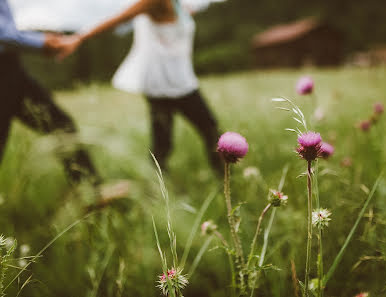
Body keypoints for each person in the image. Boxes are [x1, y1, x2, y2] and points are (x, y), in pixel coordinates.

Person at [57, 0, 222, 173]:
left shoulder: (176, 4)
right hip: (163, 84)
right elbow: (118, 19)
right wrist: (78, 38)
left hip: (180, 80)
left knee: (197, 134)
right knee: (200, 133)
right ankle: (166, 188)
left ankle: (220, 179)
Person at [0, 0, 105, 188]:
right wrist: (43, 42)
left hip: (10, 68)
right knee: (60, 125)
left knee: (60, 125)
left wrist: (42, 41)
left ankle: (91, 191)